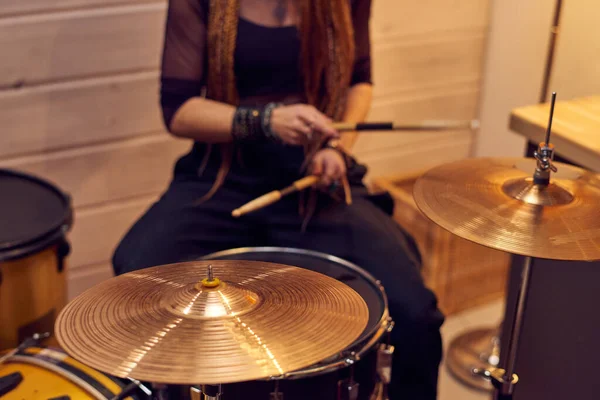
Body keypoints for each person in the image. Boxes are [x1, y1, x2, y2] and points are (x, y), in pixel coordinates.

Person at [112, 0, 444, 398]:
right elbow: (179, 111)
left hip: (315, 183)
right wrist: (265, 121)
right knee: (134, 270)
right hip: (222, 176)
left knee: (413, 311)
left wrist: (337, 147)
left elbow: (359, 79)